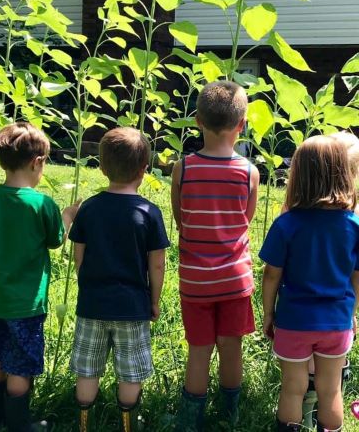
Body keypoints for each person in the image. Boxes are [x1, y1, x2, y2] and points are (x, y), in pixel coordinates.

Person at [0, 122, 79, 432]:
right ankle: (18, 425)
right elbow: (56, 241)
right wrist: (67, 216)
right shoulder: (42, 204)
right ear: (37, 162)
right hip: (25, 305)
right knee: (20, 366)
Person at [171, 81, 260, 431]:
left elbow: (181, 218)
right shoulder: (249, 173)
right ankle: (231, 413)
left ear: (197, 121)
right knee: (231, 345)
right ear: (242, 124)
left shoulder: (184, 168)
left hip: (195, 280)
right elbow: (245, 219)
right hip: (235, 279)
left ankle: (190, 419)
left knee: (199, 348)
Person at [69, 127, 169, 432]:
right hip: (132, 306)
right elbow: (158, 264)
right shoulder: (149, 212)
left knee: (87, 369)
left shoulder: (88, 209)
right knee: (130, 371)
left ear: (102, 167)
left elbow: (79, 254)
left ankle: (84, 421)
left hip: (92, 304)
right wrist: (153, 301)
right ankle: (128, 421)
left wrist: (85, 281)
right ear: (144, 170)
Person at [260, 135, 359, 432]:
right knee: (331, 390)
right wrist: (351, 313)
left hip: (293, 321)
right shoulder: (353, 225)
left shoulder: (286, 224)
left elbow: (271, 274)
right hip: (336, 322)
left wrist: (268, 313)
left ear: (297, 177)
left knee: (293, 388)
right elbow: (357, 276)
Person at [301, 131, 359, 428]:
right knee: (333, 377)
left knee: (307, 369)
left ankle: (308, 412)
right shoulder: (354, 219)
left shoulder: (296, 213)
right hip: (339, 312)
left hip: (300, 312)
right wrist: (353, 311)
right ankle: (326, 415)